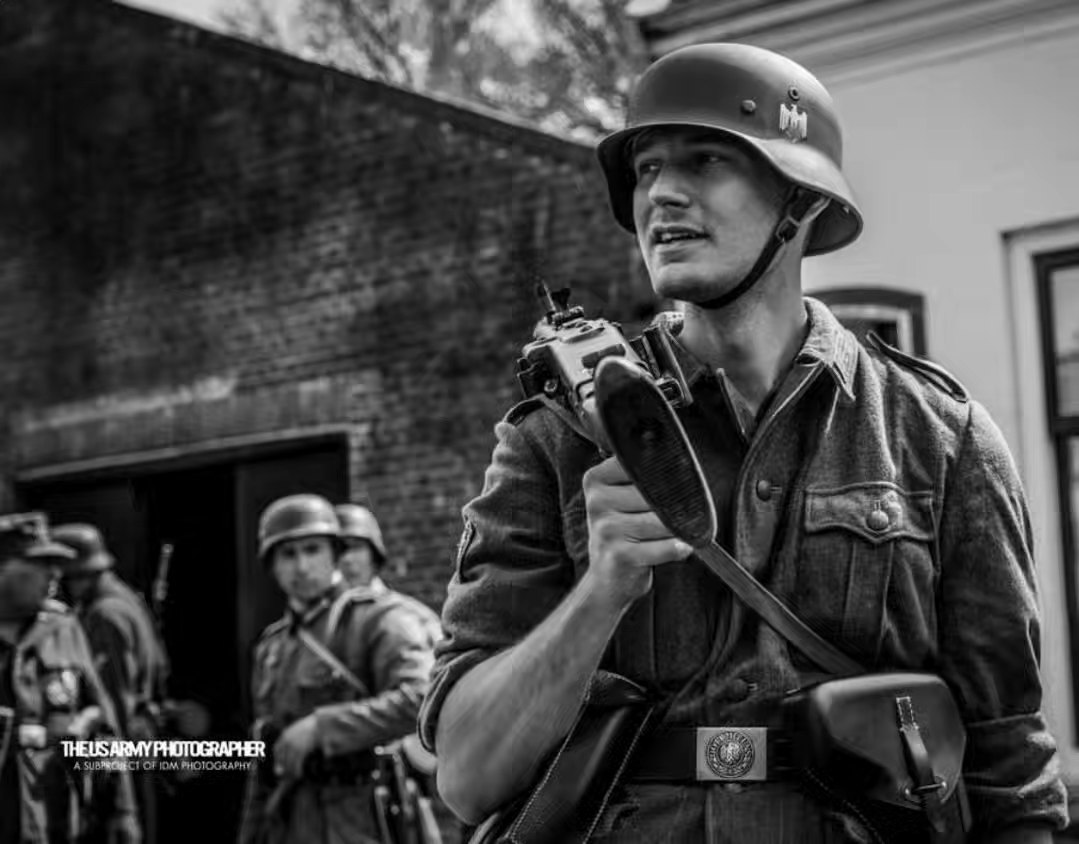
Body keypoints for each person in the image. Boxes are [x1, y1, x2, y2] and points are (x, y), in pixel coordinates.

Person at [418, 42, 1068, 843]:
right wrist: (601, 594)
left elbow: (1008, 766)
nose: (662, 194)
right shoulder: (558, 437)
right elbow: (465, 775)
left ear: (800, 199)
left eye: (705, 161)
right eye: (647, 169)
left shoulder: (938, 438)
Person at [237, 494, 437, 844]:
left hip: (362, 818)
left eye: (312, 550)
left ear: (334, 554)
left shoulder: (380, 619)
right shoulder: (272, 648)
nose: (301, 566)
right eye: (288, 554)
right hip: (292, 821)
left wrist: (322, 727)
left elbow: (422, 700)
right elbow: (264, 760)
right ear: (273, 566)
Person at [0, 511, 140, 844]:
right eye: (39, 563)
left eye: (56, 563)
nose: (55, 574)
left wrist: (122, 810)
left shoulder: (63, 628)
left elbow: (103, 724)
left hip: (61, 823)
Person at [52, 522, 169, 844]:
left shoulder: (105, 615)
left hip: (126, 757)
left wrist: (120, 796)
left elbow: (111, 705)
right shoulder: (126, 599)